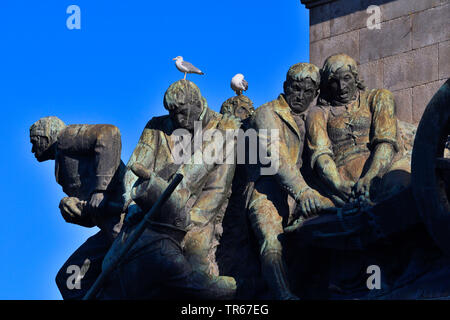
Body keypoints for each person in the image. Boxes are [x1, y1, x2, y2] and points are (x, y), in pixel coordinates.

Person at [105, 80, 239, 298]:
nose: (177, 119)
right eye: (172, 113)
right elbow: (134, 167)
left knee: (198, 276)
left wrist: (188, 222)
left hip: (198, 218)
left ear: (198, 103)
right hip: (150, 214)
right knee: (111, 266)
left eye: (183, 112)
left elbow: (211, 187)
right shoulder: (156, 126)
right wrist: (130, 201)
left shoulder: (223, 127)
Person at [246, 63, 333, 299]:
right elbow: (276, 158)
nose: (300, 96)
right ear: (285, 87)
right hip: (266, 190)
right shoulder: (267, 113)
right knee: (272, 242)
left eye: (307, 92)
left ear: (315, 94)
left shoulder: (315, 117)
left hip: (304, 191)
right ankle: (284, 296)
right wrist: (304, 193)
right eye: (295, 89)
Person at [29, 117, 125, 299]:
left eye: (35, 142)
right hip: (106, 229)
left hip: (123, 220)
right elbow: (93, 214)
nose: (33, 150)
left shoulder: (66, 138)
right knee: (68, 279)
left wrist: (100, 189)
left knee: (129, 267)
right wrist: (75, 211)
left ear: (46, 137)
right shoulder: (61, 164)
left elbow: (109, 133)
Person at [306, 54, 410, 206]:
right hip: (343, 180)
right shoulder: (318, 113)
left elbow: (386, 141)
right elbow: (321, 154)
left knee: (400, 189)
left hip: (385, 167)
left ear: (355, 78)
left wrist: (371, 176)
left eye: (346, 78)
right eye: (335, 82)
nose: (342, 87)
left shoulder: (378, 97)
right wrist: (337, 184)